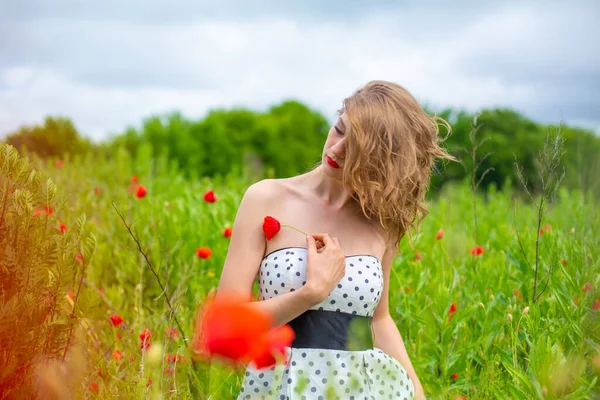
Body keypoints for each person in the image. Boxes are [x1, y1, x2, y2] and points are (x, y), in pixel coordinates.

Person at [217, 80, 455, 400]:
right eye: (340, 129)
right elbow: (229, 322)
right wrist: (310, 293)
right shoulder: (265, 198)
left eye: (357, 146)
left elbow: (379, 319)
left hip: (360, 390)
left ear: (384, 159)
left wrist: (417, 391)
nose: (336, 149)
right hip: (278, 388)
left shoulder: (382, 221)